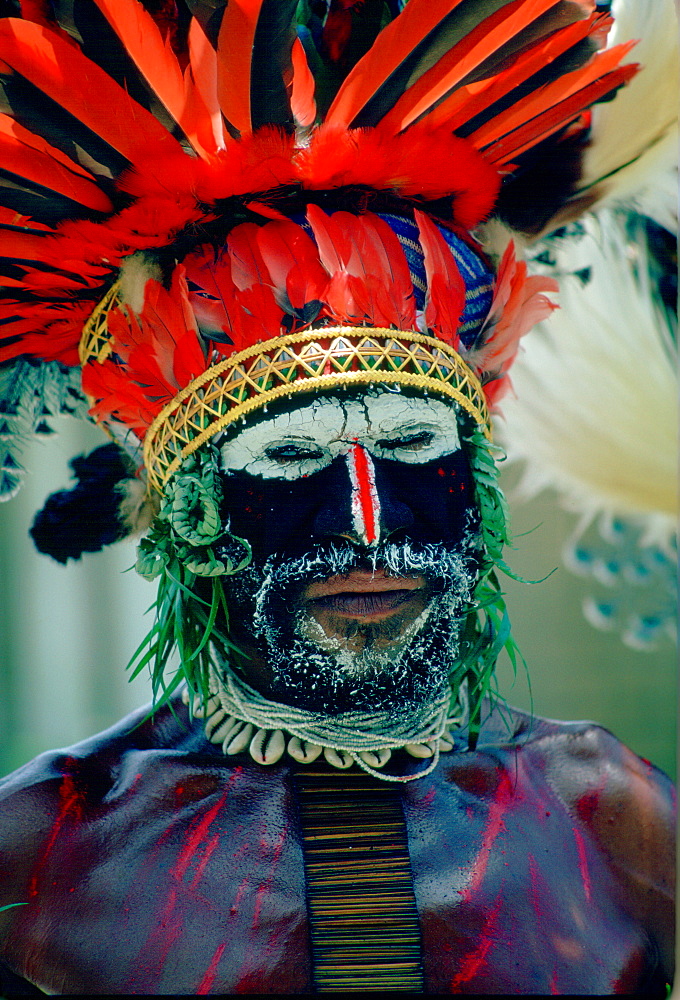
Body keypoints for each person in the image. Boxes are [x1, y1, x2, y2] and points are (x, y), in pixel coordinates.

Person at [0, 0, 674, 994]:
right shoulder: (39, 858)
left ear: (472, 498)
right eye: (289, 457)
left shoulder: (612, 819)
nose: (369, 525)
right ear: (192, 512)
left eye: (411, 447)